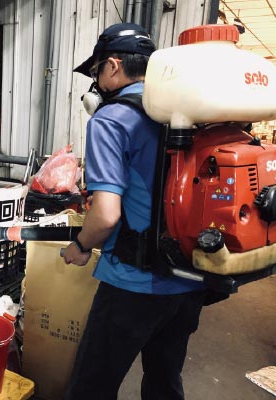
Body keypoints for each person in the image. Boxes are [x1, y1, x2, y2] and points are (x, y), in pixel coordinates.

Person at [62, 23, 206, 400]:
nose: (96, 82)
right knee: (164, 382)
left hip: (134, 283)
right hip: (189, 276)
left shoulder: (111, 120)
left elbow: (106, 216)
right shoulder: (187, 111)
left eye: (96, 72)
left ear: (112, 66)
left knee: (90, 387)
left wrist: (79, 246)